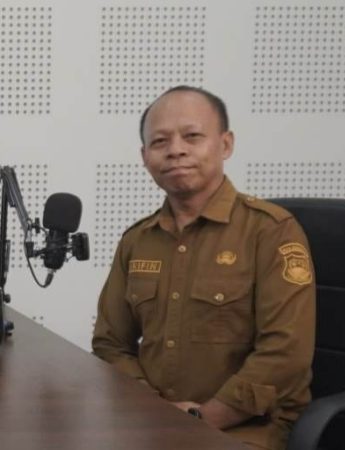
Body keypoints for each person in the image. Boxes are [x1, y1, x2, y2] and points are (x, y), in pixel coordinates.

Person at [92, 86, 316, 450]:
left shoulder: (271, 231)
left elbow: (286, 352)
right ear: (145, 157)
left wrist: (203, 418)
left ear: (225, 145)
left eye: (192, 136)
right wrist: (150, 407)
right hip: (152, 425)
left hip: (245, 428)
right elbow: (110, 344)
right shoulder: (138, 240)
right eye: (160, 141)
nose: (176, 150)